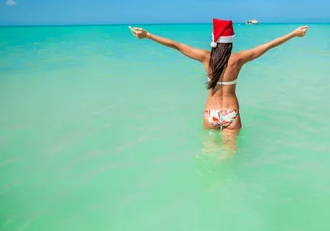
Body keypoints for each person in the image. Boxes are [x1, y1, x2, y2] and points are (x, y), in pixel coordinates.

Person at [129, 18, 308, 148]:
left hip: (211, 114)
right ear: (231, 42)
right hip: (231, 114)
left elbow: (177, 45)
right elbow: (268, 46)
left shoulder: (206, 58)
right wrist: (293, 34)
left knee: (208, 156)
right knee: (228, 161)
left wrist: (148, 35)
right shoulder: (238, 59)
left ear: (214, 40)